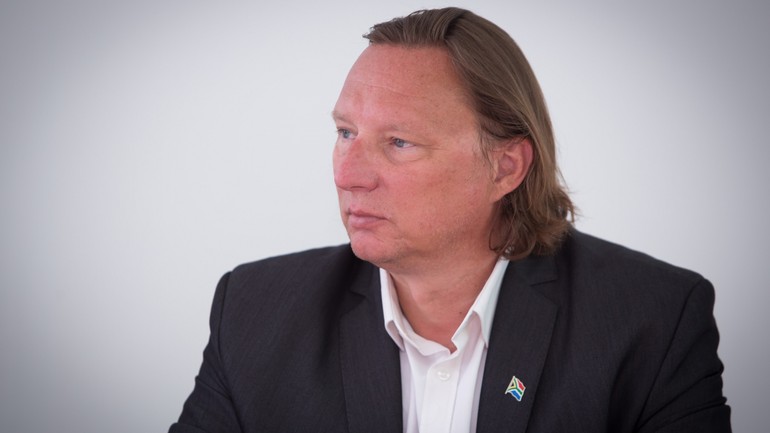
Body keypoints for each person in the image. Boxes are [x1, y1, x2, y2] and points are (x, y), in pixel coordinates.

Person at [170, 7, 730, 433]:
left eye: (399, 142)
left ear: (505, 167)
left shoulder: (652, 320)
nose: (348, 175)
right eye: (345, 133)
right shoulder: (254, 313)